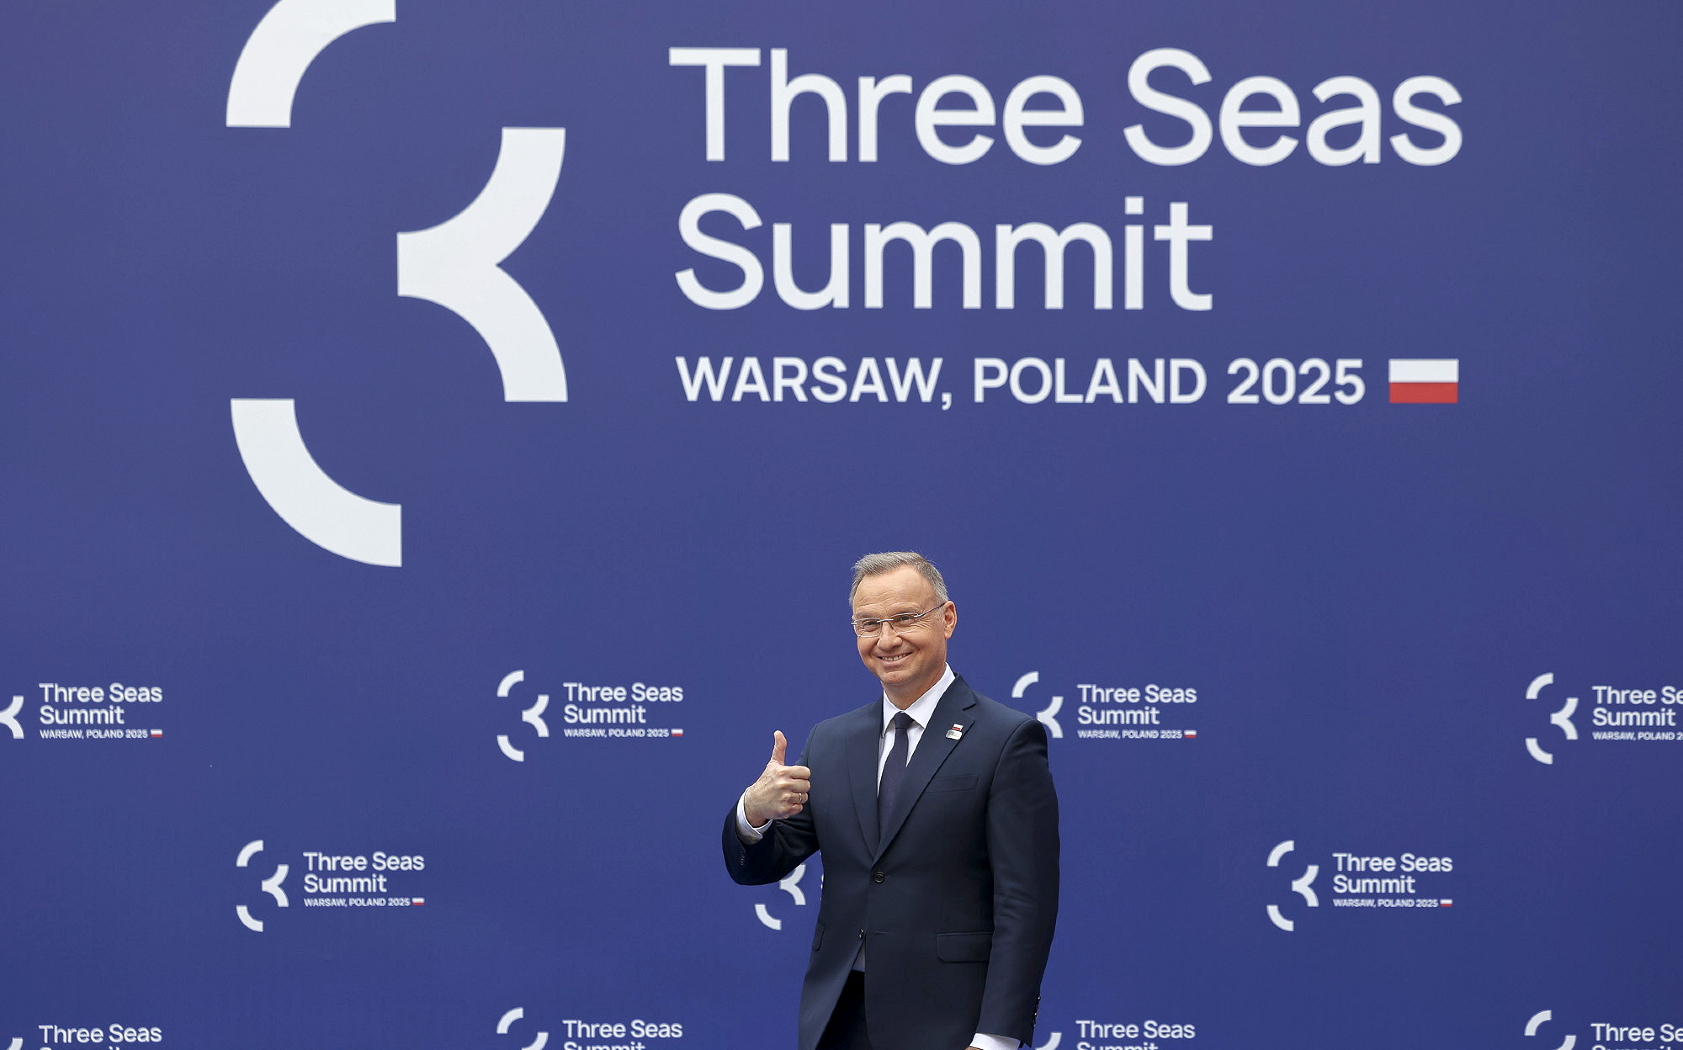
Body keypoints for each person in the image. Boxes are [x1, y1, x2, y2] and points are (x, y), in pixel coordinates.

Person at [723, 551, 1059, 1050]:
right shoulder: (830, 741)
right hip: (838, 1019)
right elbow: (759, 866)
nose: (887, 639)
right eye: (869, 624)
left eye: (905, 618)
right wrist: (754, 811)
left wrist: (996, 1036)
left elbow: (1025, 902)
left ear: (947, 619)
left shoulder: (1006, 739)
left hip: (951, 1022)